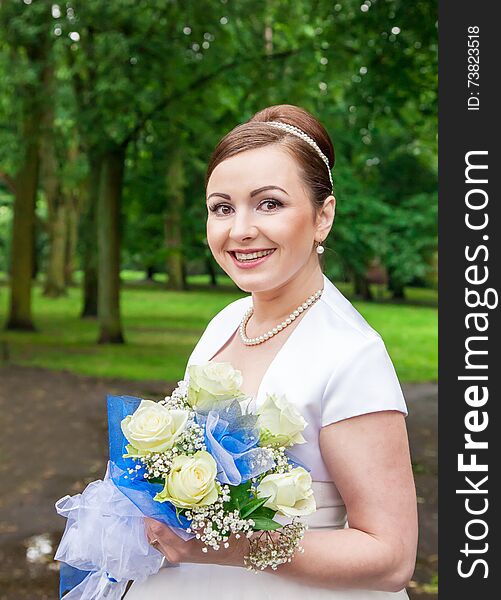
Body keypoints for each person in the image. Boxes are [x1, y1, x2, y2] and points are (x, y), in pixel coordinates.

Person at [125, 104, 418, 599]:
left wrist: (223, 547)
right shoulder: (224, 322)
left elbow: (390, 558)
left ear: (322, 216)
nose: (239, 230)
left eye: (269, 204)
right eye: (222, 207)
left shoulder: (351, 355)